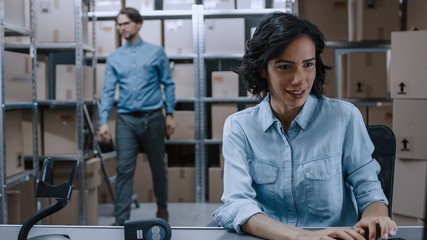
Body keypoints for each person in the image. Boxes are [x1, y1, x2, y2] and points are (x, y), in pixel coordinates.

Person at [212, 12, 397, 240]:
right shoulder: (239, 127)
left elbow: (370, 192)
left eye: (308, 65)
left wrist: (373, 217)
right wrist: (303, 237)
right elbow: (238, 205)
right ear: (262, 69)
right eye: (284, 67)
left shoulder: (344, 117)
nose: (299, 79)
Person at [98, 7, 176, 225]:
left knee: (158, 167)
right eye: (119, 24)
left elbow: (168, 84)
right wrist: (103, 121)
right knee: (123, 169)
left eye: (125, 23)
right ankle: (121, 220)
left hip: (153, 118)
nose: (121, 28)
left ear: (138, 24)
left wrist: (170, 114)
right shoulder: (114, 57)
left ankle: (162, 210)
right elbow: (107, 91)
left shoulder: (156, 52)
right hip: (125, 120)